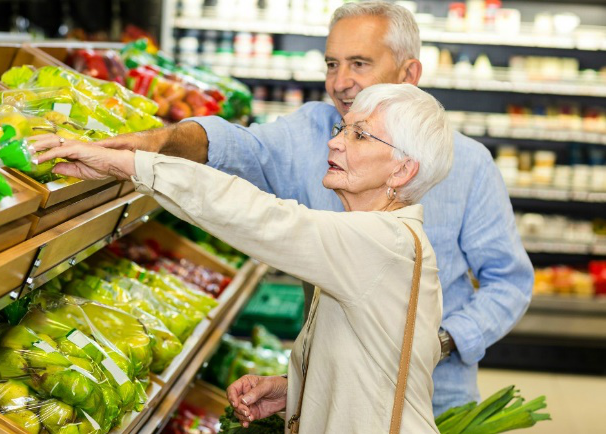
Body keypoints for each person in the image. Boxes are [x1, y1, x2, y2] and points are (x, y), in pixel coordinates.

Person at [33, 0, 533, 415]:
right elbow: (239, 146)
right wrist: (298, 385)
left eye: (359, 64)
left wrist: (434, 344)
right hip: (347, 397)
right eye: (331, 64)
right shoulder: (323, 141)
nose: (340, 83)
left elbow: (261, 219)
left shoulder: (390, 226)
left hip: (433, 399)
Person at [34, 83, 453, 432]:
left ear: (402, 171)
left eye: (359, 135)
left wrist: (133, 165)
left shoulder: (382, 242)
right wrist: (297, 389)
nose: (335, 142)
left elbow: (262, 218)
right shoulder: (385, 240)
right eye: (343, 128)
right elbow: (381, 358)